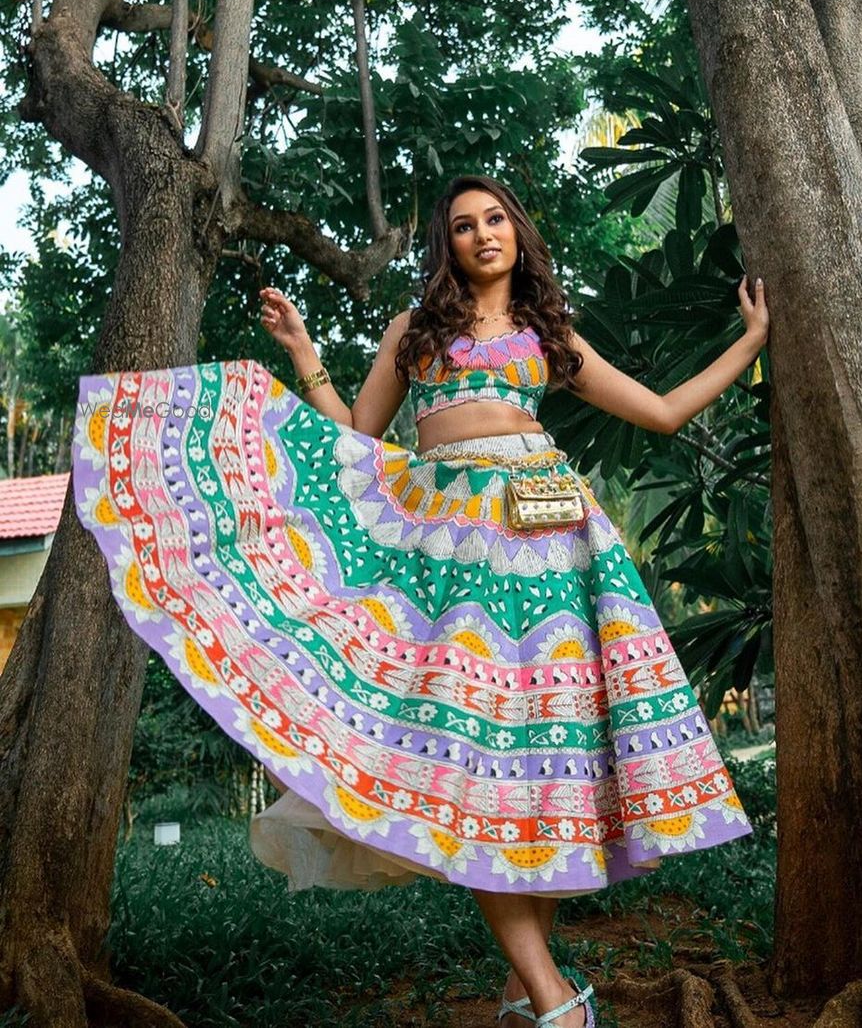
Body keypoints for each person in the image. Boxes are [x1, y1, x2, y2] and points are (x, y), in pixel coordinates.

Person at [72, 173, 769, 1028]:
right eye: (465, 225)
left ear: (517, 232)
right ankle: (555, 999)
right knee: (470, 762)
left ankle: (524, 993)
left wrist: (750, 341)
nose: (483, 235)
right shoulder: (417, 330)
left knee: (541, 770)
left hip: (554, 552)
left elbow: (660, 411)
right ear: (448, 243)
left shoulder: (549, 333)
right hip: (450, 558)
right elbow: (356, 437)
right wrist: (301, 354)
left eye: (496, 220)